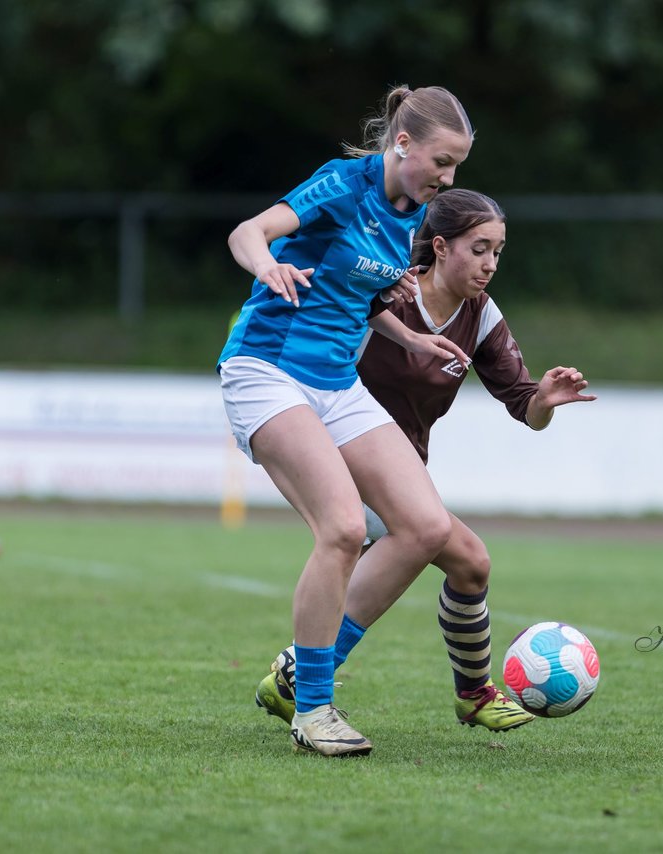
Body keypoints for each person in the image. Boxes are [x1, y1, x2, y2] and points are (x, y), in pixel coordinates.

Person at [254, 189, 595, 732]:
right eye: (479, 249)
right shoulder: (386, 292)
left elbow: (523, 405)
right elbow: (323, 371)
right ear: (440, 246)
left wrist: (545, 402)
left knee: (471, 565)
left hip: (401, 470)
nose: (491, 264)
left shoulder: (481, 316)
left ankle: (469, 695)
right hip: (341, 457)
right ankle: (303, 675)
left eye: (499, 252)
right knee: (434, 538)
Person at [218, 84, 477, 757]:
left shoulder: (407, 216)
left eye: (457, 168)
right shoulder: (341, 185)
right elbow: (249, 231)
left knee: (424, 528)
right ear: (402, 143)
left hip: (337, 384)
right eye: (441, 163)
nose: (447, 180)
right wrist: (266, 264)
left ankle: (301, 674)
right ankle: (313, 709)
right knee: (339, 528)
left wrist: (409, 338)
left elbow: (353, 290)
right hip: (268, 371)